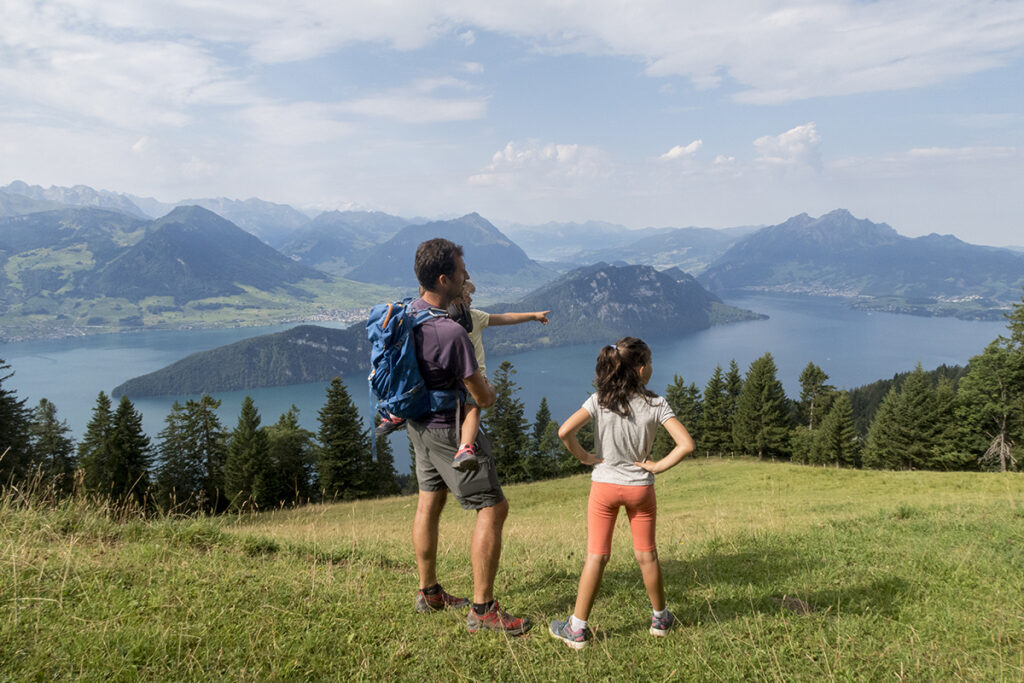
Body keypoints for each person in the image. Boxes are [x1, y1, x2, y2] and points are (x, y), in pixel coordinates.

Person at [407, 238, 530, 636]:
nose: (468, 277)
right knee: (492, 508)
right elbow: (481, 396)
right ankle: (482, 611)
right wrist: (492, 393)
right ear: (444, 279)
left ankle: (429, 593)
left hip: (418, 425)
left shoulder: (410, 314)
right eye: (462, 271)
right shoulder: (450, 332)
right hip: (450, 427)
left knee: (430, 501)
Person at [549, 337, 695, 649]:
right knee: (647, 554)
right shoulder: (656, 405)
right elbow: (686, 445)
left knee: (596, 557)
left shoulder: (599, 399)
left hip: (603, 487)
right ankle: (660, 619)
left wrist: (584, 457)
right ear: (642, 370)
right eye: (651, 364)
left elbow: (564, 431)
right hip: (640, 488)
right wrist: (656, 467)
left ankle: (576, 629)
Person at [447, 280, 550, 473]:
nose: (470, 298)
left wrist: (533, 316)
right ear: (453, 298)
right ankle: (465, 447)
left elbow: (505, 317)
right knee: (474, 408)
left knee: (470, 408)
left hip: (452, 382)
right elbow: (504, 318)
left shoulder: (464, 318)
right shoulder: (471, 318)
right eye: (466, 295)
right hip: (474, 378)